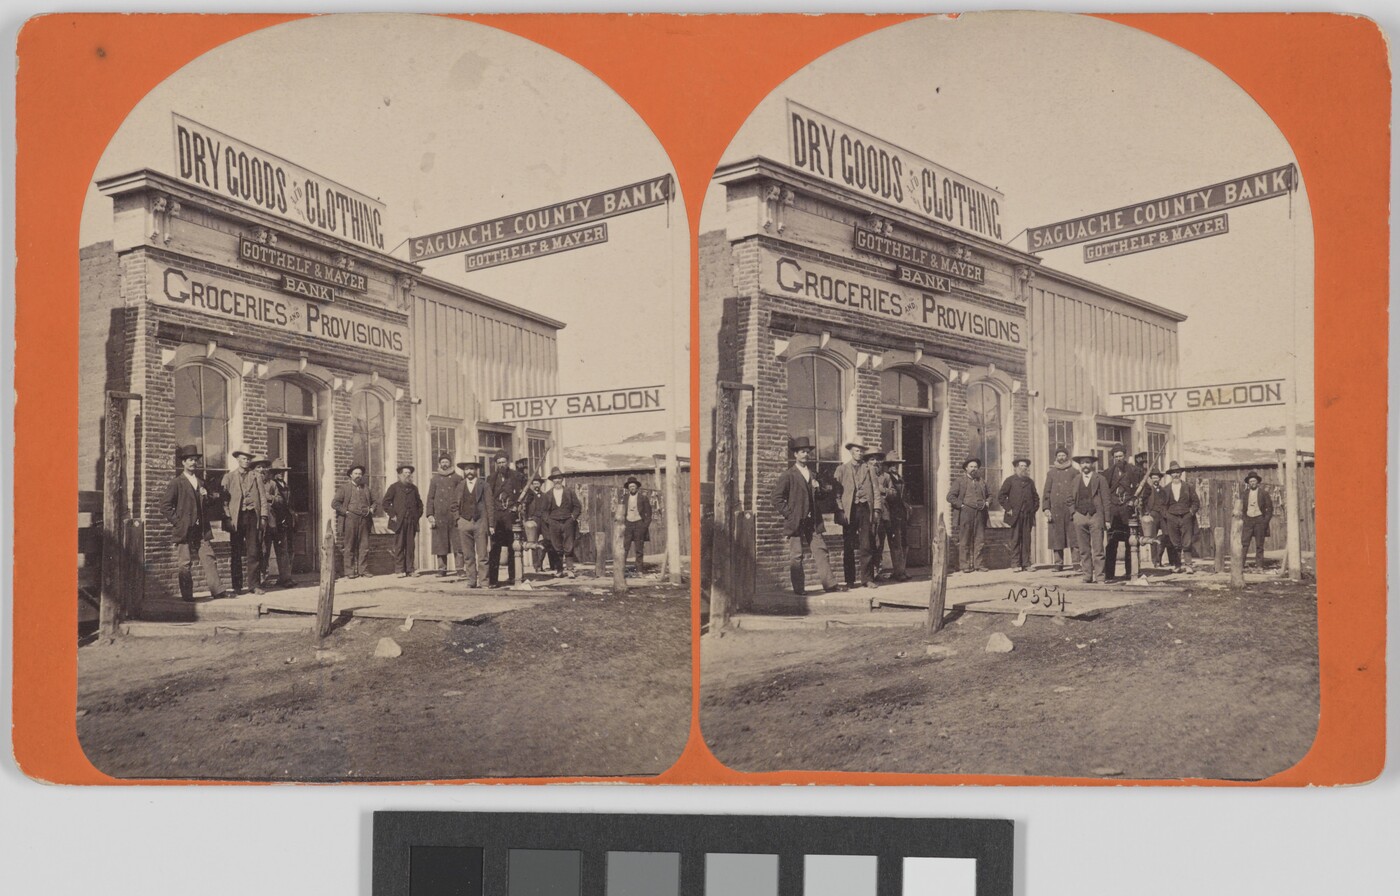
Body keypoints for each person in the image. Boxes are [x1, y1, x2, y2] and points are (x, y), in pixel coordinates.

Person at [160, 445, 231, 602]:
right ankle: (187, 596)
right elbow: (165, 506)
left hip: (201, 528)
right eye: (190, 460)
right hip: (185, 529)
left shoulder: (201, 482)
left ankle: (217, 590)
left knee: (209, 557)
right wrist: (178, 523)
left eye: (195, 460)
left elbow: (209, 503)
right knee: (185, 563)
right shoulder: (177, 483)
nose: (193, 463)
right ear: (184, 462)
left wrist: (208, 497)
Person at [771, 437, 838, 595]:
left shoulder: (812, 474)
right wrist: (790, 515)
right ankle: (799, 589)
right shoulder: (789, 475)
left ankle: (830, 584)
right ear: (795, 454)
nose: (805, 455)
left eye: (807, 452)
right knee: (797, 555)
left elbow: (819, 498)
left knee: (821, 550)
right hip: (796, 521)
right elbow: (776, 498)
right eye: (802, 452)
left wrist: (819, 489)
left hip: (813, 520)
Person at [221, 447, 269, 594]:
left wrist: (263, 516)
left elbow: (262, 497)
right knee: (236, 551)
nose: (246, 461)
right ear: (237, 459)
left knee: (253, 551)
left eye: (248, 459)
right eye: (243, 458)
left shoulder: (256, 476)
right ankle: (237, 586)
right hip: (236, 518)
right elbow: (224, 501)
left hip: (252, 516)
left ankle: (254, 585)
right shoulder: (228, 477)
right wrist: (228, 517)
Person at [834, 441, 881, 588]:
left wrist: (877, 509)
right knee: (848, 544)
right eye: (856, 451)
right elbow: (836, 494)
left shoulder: (869, 469)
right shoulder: (841, 469)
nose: (859, 453)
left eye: (861, 451)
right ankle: (849, 580)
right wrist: (841, 510)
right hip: (849, 510)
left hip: (865, 509)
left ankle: (867, 579)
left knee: (866, 544)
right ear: (851, 452)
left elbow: (876, 490)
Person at [1103, 444, 1144, 581]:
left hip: (1128, 511)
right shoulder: (1108, 472)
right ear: (1113, 458)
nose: (1118, 459)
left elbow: (1146, 489)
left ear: (1125, 456)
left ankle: (1130, 573)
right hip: (1113, 512)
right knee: (1111, 544)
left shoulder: (1135, 471)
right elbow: (1103, 491)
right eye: (1116, 457)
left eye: (1121, 456)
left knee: (1130, 543)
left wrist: (1136, 499)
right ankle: (1109, 575)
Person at [332, 463, 378, 578]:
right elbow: (335, 503)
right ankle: (349, 571)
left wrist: (372, 509)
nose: (358, 476)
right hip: (350, 520)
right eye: (356, 473)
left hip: (364, 520)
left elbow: (375, 501)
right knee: (349, 545)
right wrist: (346, 512)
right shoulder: (344, 488)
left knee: (364, 546)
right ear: (351, 475)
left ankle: (363, 570)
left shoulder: (366, 488)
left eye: (360, 474)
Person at [450, 460, 492, 587]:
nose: (469, 472)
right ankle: (471, 581)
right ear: (464, 471)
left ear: (476, 470)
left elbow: (490, 505)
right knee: (468, 555)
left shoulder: (484, 485)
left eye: (472, 469)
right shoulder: (460, 486)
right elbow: (453, 505)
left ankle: (484, 582)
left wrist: (491, 524)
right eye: (467, 469)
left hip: (480, 523)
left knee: (483, 555)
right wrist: (458, 520)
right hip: (464, 522)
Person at [486, 454, 525, 587]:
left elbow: (528, 494)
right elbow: (487, 498)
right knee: (495, 548)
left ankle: (514, 577)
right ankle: (492, 580)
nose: (501, 464)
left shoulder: (517, 477)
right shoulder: (491, 478)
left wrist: (518, 506)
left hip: (511, 517)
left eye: (503, 462)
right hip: (496, 519)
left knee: (513, 547)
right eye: (499, 462)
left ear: (508, 462)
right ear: (496, 464)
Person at [947, 457, 991, 573]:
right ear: (966, 468)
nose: (974, 469)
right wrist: (961, 505)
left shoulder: (981, 481)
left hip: (980, 514)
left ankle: (979, 565)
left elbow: (990, 495)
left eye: (975, 467)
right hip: (966, 513)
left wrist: (987, 502)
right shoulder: (960, 481)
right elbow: (950, 497)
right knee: (965, 539)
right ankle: (964, 566)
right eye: (971, 466)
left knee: (980, 539)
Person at [1071, 454, 1110, 583]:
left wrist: (1107, 519)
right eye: (1082, 463)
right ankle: (1087, 576)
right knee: (1083, 549)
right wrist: (1074, 514)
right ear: (1080, 465)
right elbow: (1069, 498)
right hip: (1080, 517)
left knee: (1098, 549)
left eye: (1087, 462)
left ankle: (1100, 577)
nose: (1085, 465)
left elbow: (1106, 499)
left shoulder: (1100, 479)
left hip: (1096, 516)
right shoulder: (1076, 479)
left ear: (1092, 464)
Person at [1041, 446, 1080, 571]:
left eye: (1063, 455)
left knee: (1074, 537)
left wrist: (1076, 508)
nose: (1061, 457)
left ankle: (1077, 563)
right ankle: (1058, 564)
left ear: (1067, 457)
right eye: (1059, 455)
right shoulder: (1051, 473)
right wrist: (1046, 508)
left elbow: (1079, 490)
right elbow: (1046, 492)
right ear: (1056, 457)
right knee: (1056, 537)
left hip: (1071, 509)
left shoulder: (1074, 472)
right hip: (1056, 509)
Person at [998, 457, 1039, 572]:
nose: (1023, 468)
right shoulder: (1010, 480)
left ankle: (1026, 564)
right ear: (1016, 468)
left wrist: (1032, 510)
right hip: (1015, 515)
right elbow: (1001, 496)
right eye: (1021, 466)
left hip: (1027, 515)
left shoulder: (1030, 482)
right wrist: (1008, 508)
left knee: (1026, 540)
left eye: (1025, 466)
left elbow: (1036, 498)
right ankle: (1015, 564)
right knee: (1015, 539)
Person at [539, 467, 582, 577]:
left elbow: (577, 506)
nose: (557, 481)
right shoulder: (548, 494)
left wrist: (573, 517)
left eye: (559, 478)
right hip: (554, 522)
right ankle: (559, 570)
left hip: (568, 521)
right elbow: (543, 511)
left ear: (562, 479)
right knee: (556, 546)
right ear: (552, 480)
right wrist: (548, 520)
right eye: (555, 479)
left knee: (569, 545)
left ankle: (570, 569)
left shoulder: (569, 492)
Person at [425, 452, 464, 576]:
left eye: (446, 462)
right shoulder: (435, 479)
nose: (444, 464)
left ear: (450, 463)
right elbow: (430, 497)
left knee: (458, 543)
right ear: (439, 464)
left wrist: (461, 514)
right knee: (440, 543)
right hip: (439, 515)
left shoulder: (458, 478)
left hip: (454, 515)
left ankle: (460, 569)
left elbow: (463, 497)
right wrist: (430, 514)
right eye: (442, 462)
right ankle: (442, 569)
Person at [382, 464, 424, 578]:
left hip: (411, 521)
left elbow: (420, 505)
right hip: (399, 521)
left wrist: (416, 516)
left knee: (410, 546)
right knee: (399, 545)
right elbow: (385, 503)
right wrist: (392, 515)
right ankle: (400, 570)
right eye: (405, 473)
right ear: (400, 475)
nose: (408, 475)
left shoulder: (414, 488)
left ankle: (410, 569)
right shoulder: (394, 487)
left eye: (409, 473)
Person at [1159, 461, 1200, 573]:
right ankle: (1177, 565)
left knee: (1187, 541)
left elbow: (1196, 502)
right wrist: (1167, 515)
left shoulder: (1188, 487)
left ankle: (1188, 565)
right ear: (1170, 475)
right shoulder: (1166, 489)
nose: (1175, 475)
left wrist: (1191, 512)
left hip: (1186, 516)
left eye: (1177, 472)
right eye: (1173, 473)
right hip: (1172, 517)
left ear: (1180, 473)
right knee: (1174, 542)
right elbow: (1161, 505)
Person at [261, 465, 296, 588]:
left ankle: (285, 578)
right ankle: (262, 578)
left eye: (283, 471)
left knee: (283, 550)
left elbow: (282, 502)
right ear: (272, 473)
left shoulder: (284, 485)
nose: (281, 474)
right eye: (278, 472)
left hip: (281, 522)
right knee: (264, 550)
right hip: (267, 522)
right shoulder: (268, 484)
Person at [878, 454, 910, 581]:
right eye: (891, 464)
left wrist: (907, 506)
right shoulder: (885, 478)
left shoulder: (900, 478)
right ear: (886, 466)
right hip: (889, 514)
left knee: (902, 542)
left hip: (900, 514)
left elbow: (905, 495)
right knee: (884, 542)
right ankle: (881, 571)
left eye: (896, 464)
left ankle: (901, 570)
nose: (894, 467)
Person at [619, 477, 653, 575]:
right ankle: (621, 569)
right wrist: (622, 523)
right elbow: (621, 511)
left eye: (634, 486)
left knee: (639, 548)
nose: (632, 488)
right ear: (628, 488)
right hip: (628, 524)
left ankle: (639, 570)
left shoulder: (643, 498)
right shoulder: (624, 498)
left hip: (639, 523)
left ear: (637, 487)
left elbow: (649, 514)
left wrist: (644, 526)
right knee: (625, 547)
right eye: (630, 487)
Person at [1241, 470, 1275, 569]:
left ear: (1257, 482)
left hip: (1259, 520)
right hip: (1248, 520)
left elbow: (1270, 508)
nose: (1252, 483)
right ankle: (1241, 565)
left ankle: (1259, 565)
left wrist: (1265, 521)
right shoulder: (1245, 494)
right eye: (1251, 481)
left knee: (1259, 544)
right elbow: (1242, 508)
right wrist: (1244, 518)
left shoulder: (1263, 493)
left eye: (1254, 481)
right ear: (1248, 483)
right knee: (1244, 543)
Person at [1138, 468, 1166, 569]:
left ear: (1160, 478)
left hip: (1162, 516)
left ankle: (1160, 558)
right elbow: (1143, 502)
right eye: (1153, 477)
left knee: (1165, 536)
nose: (1155, 479)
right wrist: (1146, 513)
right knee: (1152, 538)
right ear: (1151, 479)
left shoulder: (1164, 490)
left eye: (1157, 477)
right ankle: (1155, 561)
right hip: (1152, 516)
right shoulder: (1148, 490)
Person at [521, 474, 546, 572]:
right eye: (534, 483)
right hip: (533, 520)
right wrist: (526, 520)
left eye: (538, 483)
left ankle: (540, 562)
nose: (536, 485)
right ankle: (537, 566)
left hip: (544, 521)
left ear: (540, 484)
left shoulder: (545, 495)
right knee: (533, 542)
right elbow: (524, 509)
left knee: (546, 541)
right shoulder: (528, 496)